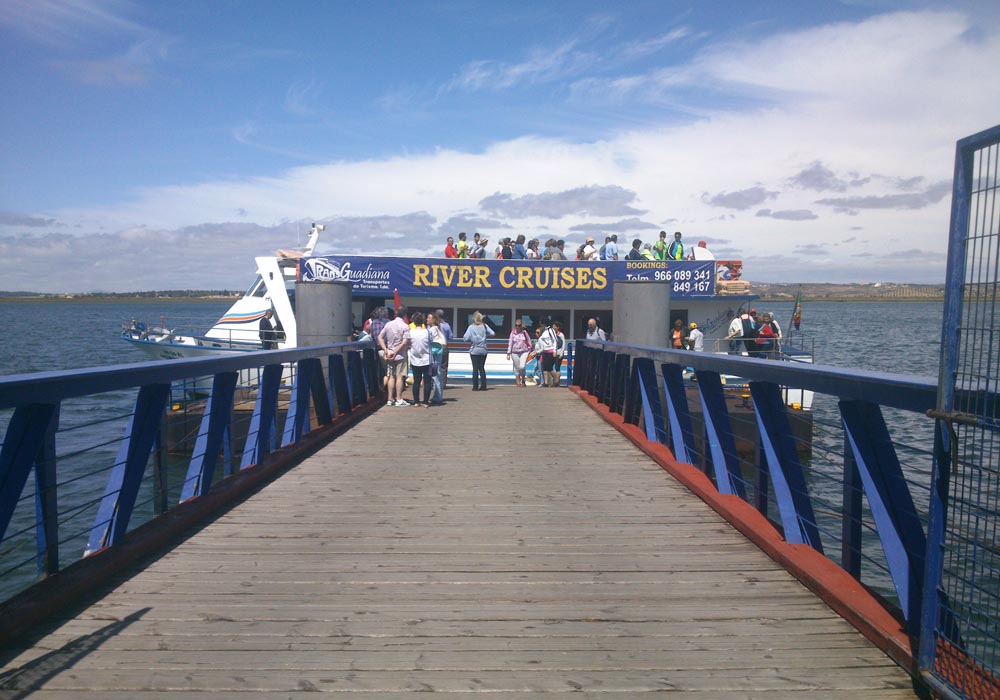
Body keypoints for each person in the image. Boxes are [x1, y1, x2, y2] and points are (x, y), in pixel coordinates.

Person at [378, 304, 411, 406]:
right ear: (405, 315)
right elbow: (405, 341)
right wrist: (396, 352)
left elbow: (380, 337)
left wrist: (386, 349)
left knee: (391, 376)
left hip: (389, 354)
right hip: (400, 355)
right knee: (400, 377)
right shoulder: (405, 326)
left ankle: (389, 399)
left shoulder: (388, 324)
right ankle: (399, 399)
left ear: (396, 313)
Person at [463, 311, 494, 390]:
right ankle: (483, 386)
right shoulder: (484, 326)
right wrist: (485, 336)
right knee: (482, 368)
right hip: (483, 349)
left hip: (474, 350)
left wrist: (472, 338)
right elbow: (493, 333)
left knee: (475, 368)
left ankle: (475, 386)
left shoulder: (471, 327)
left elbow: (465, 338)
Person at [407, 311, 433, 406]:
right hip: (427, 360)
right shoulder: (427, 332)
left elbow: (408, 343)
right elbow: (431, 342)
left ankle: (416, 402)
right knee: (427, 382)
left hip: (415, 359)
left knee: (416, 382)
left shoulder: (411, 332)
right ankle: (426, 402)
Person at [427, 312, 447, 403]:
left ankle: (437, 396)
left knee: (435, 373)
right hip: (437, 352)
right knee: (436, 373)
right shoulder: (437, 328)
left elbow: (432, 340)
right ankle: (437, 395)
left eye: (429, 318)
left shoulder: (433, 329)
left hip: (434, 353)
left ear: (433, 320)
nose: (427, 319)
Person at [506, 318, 533, 387]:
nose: (517, 327)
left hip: (524, 351)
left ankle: (523, 379)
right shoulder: (512, 333)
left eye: (519, 325)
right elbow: (510, 343)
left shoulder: (524, 332)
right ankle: (518, 382)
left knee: (522, 366)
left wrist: (529, 349)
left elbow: (529, 341)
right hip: (514, 352)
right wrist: (508, 353)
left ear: (521, 326)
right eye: (516, 325)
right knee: (517, 367)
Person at [536, 319, 558, 387]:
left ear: (544, 324)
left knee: (549, 368)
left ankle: (556, 379)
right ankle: (546, 383)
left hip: (550, 351)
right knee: (545, 368)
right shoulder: (542, 331)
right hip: (544, 351)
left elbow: (555, 340)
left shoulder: (550, 330)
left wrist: (554, 351)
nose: (540, 326)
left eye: (541, 324)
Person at [435, 308, 453, 388]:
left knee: (433, 365)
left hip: (435, 346)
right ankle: (443, 383)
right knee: (444, 366)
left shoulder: (433, 326)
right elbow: (450, 337)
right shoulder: (446, 325)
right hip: (444, 346)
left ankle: (433, 382)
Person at [551, 321, 567, 387]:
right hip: (552, 353)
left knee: (557, 367)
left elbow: (563, 344)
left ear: (558, 327)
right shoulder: (551, 334)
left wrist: (561, 353)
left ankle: (557, 382)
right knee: (550, 367)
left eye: (555, 326)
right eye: (553, 326)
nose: (553, 327)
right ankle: (555, 381)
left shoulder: (561, 334)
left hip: (559, 353)